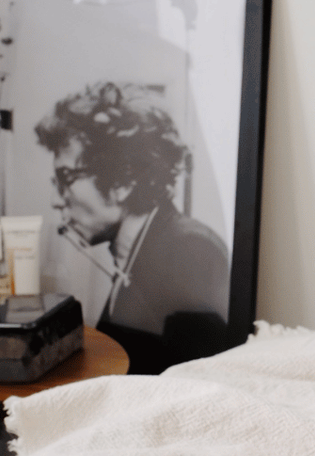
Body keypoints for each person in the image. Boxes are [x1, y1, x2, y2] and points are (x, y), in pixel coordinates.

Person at [35, 83, 230, 373]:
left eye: (66, 178)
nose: (55, 200)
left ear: (122, 181)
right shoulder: (135, 255)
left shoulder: (190, 250)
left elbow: (196, 384)